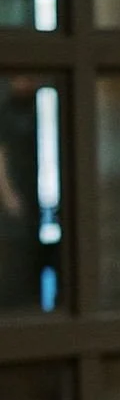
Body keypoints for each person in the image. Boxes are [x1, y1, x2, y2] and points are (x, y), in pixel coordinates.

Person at [0, 76, 42, 310]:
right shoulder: (6, 112)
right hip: (15, 196)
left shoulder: (38, 107)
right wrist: (8, 194)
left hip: (35, 191)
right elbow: (0, 155)